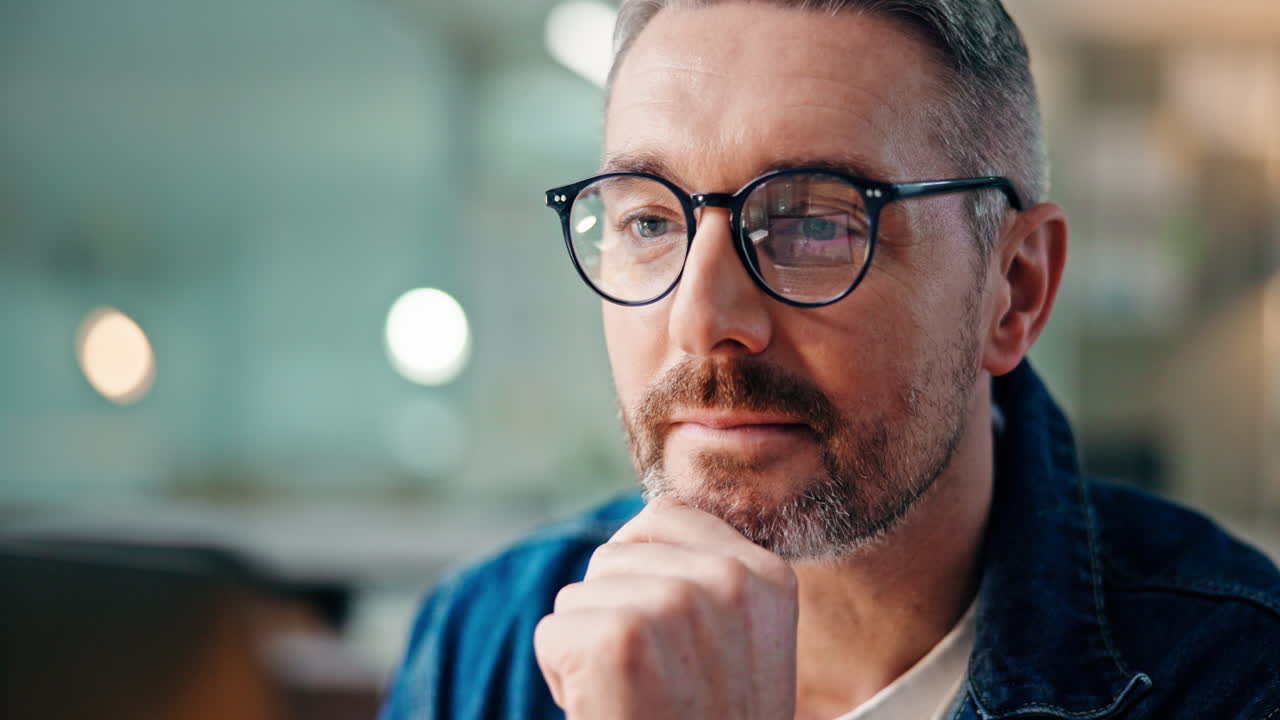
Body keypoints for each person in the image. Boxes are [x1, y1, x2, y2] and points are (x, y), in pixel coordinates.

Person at [380, 1, 1280, 718]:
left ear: (1016, 287)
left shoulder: (1233, 676)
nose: (702, 320)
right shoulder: (486, 643)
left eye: (815, 222)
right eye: (649, 221)